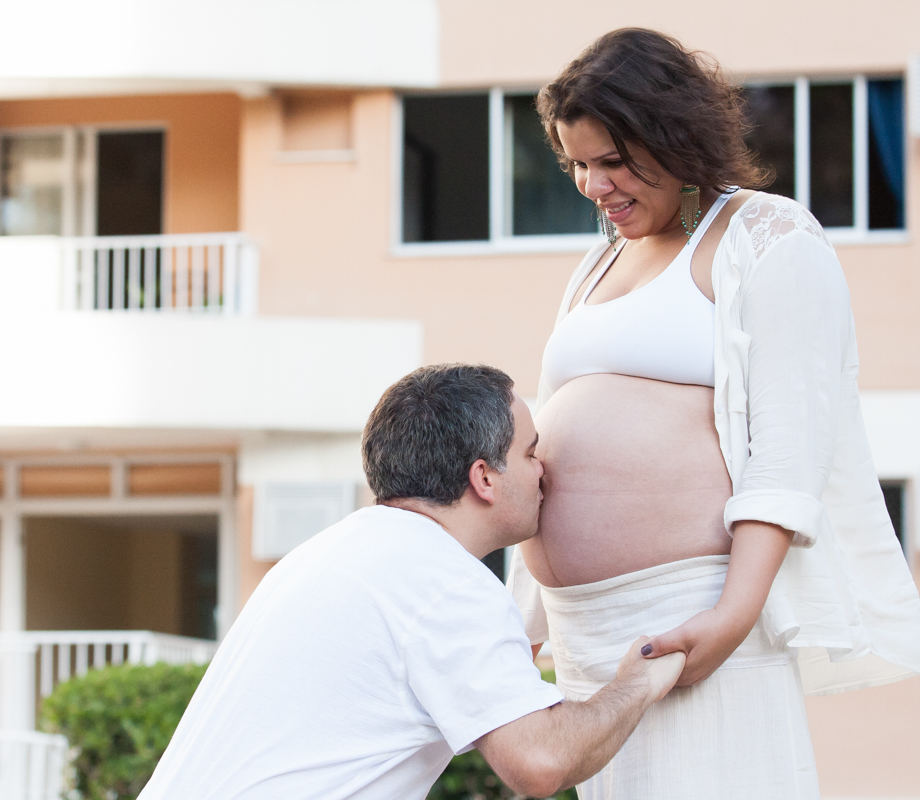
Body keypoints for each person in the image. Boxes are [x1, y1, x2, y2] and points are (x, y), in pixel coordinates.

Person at [507, 27, 920, 799]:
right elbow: (544, 456)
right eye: (578, 165)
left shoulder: (765, 234)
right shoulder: (597, 263)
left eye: (613, 161)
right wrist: (522, 626)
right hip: (584, 634)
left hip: (697, 614)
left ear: (675, 135)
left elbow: (790, 443)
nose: (594, 187)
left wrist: (735, 612)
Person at [139, 364, 684, 799]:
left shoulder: (334, 554)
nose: (545, 468)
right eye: (530, 451)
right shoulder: (443, 579)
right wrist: (637, 682)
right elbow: (541, 762)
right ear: (485, 478)